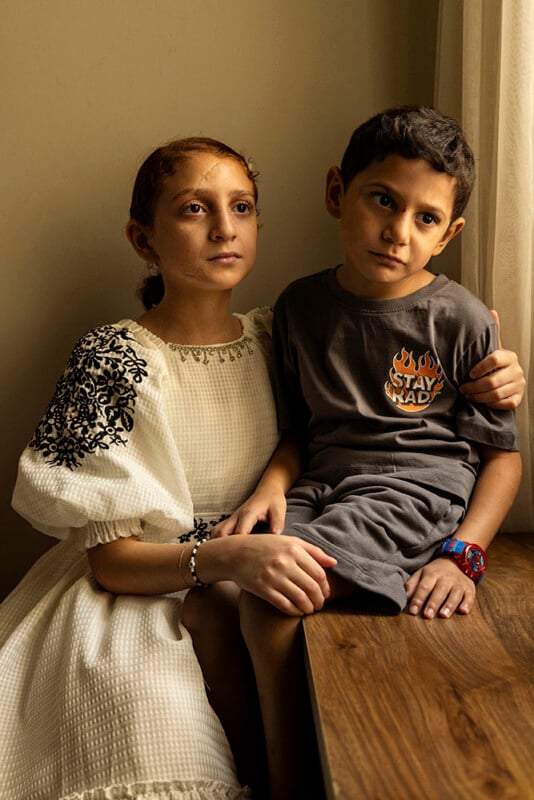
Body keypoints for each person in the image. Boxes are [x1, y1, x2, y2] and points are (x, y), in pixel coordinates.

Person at [0, 133, 524, 800]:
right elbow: (110, 562)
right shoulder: (112, 358)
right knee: (166, 727)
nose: (225, 228)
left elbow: (348, 420)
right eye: (194, 209)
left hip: (273, 556)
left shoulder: (280, 333)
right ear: (143, 238)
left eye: (242, 207)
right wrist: (232, 560)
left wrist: (496, 373)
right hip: (136, 595)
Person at [207, 107, 523, 799]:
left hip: (415, 496)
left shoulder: (460, 319)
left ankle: (285, 784)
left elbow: (500, 456)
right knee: (216, 591)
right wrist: (271, 487)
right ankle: (242, 766)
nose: (397, 231)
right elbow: (302, 431)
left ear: (450, 234)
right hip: (323, 486)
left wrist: (465, 553)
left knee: (267, 597)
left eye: (425, 218)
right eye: (382, 199)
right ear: (335, 193)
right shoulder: (300, 308)